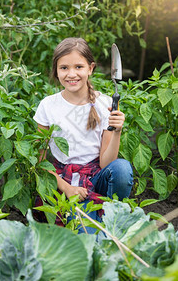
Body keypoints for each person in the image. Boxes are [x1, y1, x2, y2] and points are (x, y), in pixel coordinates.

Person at [33, 37, 133, 234]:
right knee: (84, 234)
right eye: (64, 68)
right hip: (62, 178)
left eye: (79, 66)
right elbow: (40, 162)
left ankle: (114, 214)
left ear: (91, 68)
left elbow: (107, 164)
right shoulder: (48, 105)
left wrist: (117, 131)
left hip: (95, 177)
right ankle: (97, 222)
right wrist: (66, 188)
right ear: (56, 70)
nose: (71, 74)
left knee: (122, 168)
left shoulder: (104, 105)